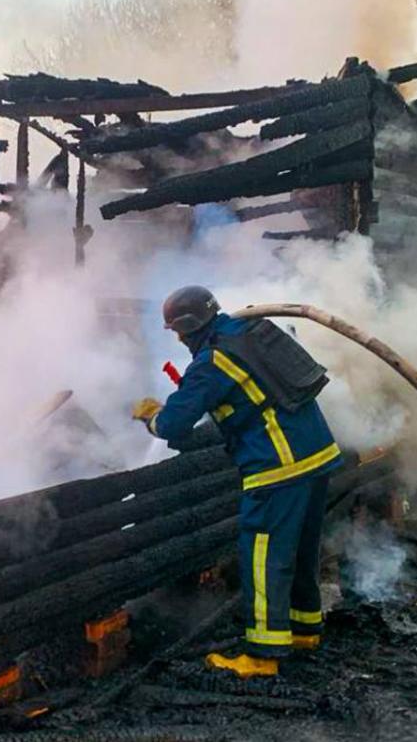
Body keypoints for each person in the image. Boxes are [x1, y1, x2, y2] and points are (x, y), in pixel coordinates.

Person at [131, 285, 342, 678]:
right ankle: (304, 629)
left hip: (279, 466)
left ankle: (263, 654)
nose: (177, 339)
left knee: (263, 555)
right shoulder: (247, 331)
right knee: (300, 549)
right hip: (317, 453)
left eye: (177, 331)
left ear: (188, 327)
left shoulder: (213, 361)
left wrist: (151, 416)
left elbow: (172, 424)